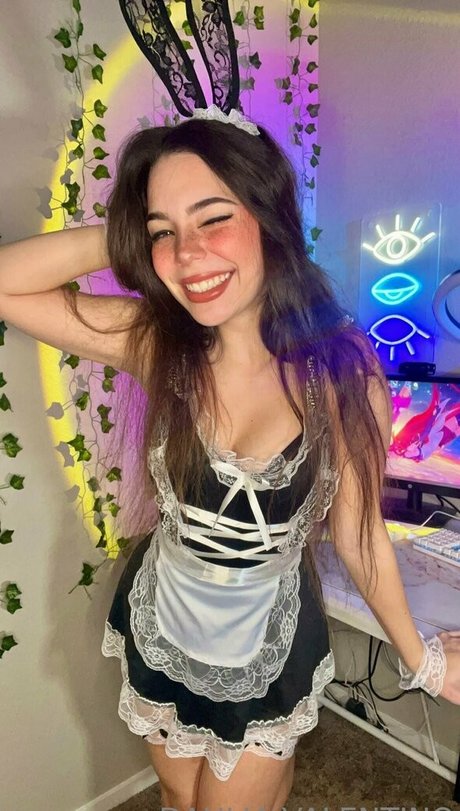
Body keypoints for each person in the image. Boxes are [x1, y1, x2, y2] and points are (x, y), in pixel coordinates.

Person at [1, 109, 459, 811]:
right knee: (179, 799)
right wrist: (129, 236)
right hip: (162, 622)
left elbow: (359, 533)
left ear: (269, 218)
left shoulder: (341, 370)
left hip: (264, 647)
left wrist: (423, 661)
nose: (188, 255)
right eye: (163, 231)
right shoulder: (158, 341)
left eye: (213, 219)